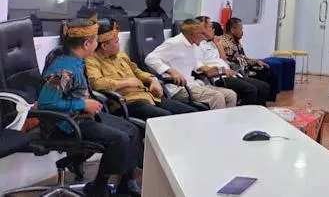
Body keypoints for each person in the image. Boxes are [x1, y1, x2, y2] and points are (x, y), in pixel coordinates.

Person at [39, 19, 143, 197]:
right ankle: (99, 188)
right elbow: (45, 104)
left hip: (82, 116)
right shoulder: (63, 69)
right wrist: (83, 104)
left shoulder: (77, 60)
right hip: (65, 123)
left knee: (133, 130)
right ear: (87, 44)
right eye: (95, 40)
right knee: (119, 139)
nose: (97, 44)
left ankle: (126, 183)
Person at [85, 19, 197, 120]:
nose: (119, 44)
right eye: (116, 42)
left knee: (190, 112)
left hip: (148, 96)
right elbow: (97, 83)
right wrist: (125, 83)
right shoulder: (91, 61)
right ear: (104, 46)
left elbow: (137, 71)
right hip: (127, 102)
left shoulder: (121, 55)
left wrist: (152, 80)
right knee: (166, 118)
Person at [145, 19, 237, 109]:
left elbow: (202, 68)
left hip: (193, 85)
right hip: (178, 89)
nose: (204, 37)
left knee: (231, 95)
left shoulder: (194, 46)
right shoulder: (174, 43)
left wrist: (221, 70)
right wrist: (171, 71)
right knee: (217, 97)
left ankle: (225, 119)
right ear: (192, 34)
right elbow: (150, 58)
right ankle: (215, 119)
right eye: (202, 33)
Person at [195, 16, 272, 105]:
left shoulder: (212, 43)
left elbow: (223, 60)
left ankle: (259, 111)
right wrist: (223, 71)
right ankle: (246, 113)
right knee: (250, 90)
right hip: (218, 77)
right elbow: (202, 68)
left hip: (230, 73)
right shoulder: (198, 46)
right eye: (211, 27)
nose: (214, 29)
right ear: (202, 29)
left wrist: (219, 45)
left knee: (264, 86)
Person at [220, 18, 279, 101]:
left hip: (244, 67)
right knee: (265, 77)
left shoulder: (235, 41)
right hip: (239, 71)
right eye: (241, 29)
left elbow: (242, 57)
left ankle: (265, 99)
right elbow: (232, 62)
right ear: (232, 30)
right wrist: (248, 67)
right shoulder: (225, 43)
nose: (242, 32)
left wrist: (257, 61)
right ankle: (261, 101)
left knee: (268, 72)